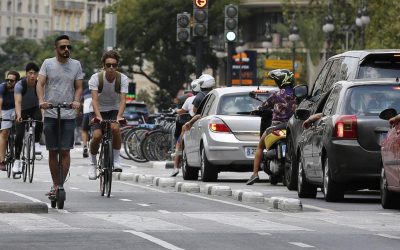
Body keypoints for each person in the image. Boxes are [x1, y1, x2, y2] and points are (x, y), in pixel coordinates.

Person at [37, 34, 83, 196]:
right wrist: (42, 101)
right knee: (53, 151)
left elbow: (78, 87)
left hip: (68, 114)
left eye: (68, 47)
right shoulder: (48, 63)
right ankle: (55, 184)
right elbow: (40, 83)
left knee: (65, 151)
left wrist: (76, 101)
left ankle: (60, 186)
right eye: (62, 47)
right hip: (50, 113)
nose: (66, 50)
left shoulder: (76, 65)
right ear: (56, 48)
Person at [246, 69, 297, 185]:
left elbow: (264, 106)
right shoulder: (297, 94)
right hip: (292, 127)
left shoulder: (276, 95)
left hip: (276, 127)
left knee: (260, 146)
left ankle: (255, 174)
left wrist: (257, 110)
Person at [87, 50, 129, 180]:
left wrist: (119, 116)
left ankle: (116, 160)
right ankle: (93, 163)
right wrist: (98, 116)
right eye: (108, 65)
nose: (111, 68)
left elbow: (123, 100)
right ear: (103, 65)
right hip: (97, 109)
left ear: (117, 66)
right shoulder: (95, 78)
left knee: (115, 128)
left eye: (114, 65)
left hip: (114, 109)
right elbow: (94, 100)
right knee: (97, 135)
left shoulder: (123, 79)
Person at [13, 62, 43, 174]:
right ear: (26, 74)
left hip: (35, 108)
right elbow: (18, 102)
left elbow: (42, 101)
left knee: (40, 118)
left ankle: (36, 143)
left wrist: (44, 115)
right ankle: (17, 161)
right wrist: (19, 115)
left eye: (35, 73)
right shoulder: (20, 85)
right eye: (30, 73)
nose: (32, 76)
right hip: (22, 110)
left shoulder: (40, 84)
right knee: (19, 136)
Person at [170, 79, 201, 177]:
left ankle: (175, 168)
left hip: (190, 125)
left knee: (179, 144)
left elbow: (182, 111)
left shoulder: (190, 99)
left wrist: (175, 110)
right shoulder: (208, 97)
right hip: (202, 125)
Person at [0, 71, 20, 171]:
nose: (8, 82)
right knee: (4, 133)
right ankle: (2, 161)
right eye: (7, 80)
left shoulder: (19, 88)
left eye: (11, 80)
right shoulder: (2, 87)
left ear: (16, 82)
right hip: (4, 109)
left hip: (16, 108)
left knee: (20, 129)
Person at [81, 87, 92, 158]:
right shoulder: (100, 88)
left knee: (84, 130)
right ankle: (93, 145)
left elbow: (80, 102)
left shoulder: (85, 91)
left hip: (86, 113)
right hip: (95, 112)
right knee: (95, 129)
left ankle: (85, 146)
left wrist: (78, 112)